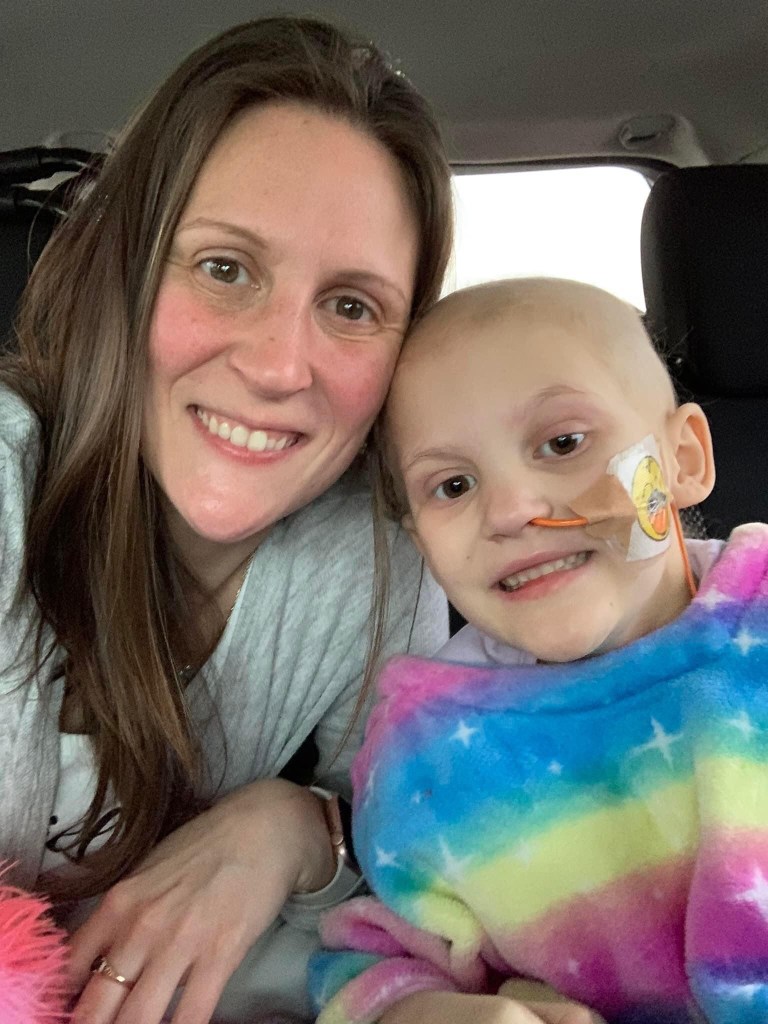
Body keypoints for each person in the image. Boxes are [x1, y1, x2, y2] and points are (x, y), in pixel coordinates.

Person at [0, 16, 458, 1024]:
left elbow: (423, 857)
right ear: (124, 269)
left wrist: (295, 828)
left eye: (351, 306)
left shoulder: (378, 557)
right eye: (225, 268)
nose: (281, 365)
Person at [310, 278, 768, 1024]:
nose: (510, 511)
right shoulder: (429, 755)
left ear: (683, 458)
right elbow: (379, 957)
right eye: (452, 485)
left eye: (563, 444)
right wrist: (424, 1011)